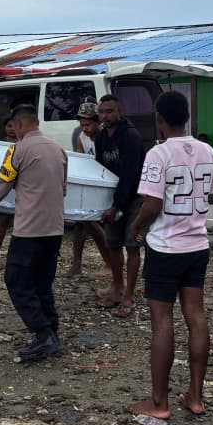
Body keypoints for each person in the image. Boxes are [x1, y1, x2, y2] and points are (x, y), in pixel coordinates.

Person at [126, 91, 213, 419]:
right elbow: (209, 193)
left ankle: (159, 402)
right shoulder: (208, 151)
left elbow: (152, 203)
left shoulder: (159, 153)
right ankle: (195, 396)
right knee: (196, 316)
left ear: (159, 119)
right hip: (197, 245)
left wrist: (136, 226)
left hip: (166, 247)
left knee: (162, 320)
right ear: (187, 117)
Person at [0, 103, 67, 361]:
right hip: (55, 228)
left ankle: (43, 334)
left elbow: (3, 184)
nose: (13, 131)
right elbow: (63, 189)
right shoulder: (59, 150)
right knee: (42, 283)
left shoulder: (17, 150)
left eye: (14, 126)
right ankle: (52, 331)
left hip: (29, 230)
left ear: (20, 125)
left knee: (16, 281)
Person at [94, 94, 145, 316]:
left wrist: (116, 205)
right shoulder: (101, 137)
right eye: (101, 112)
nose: (105, 116)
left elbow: (130, 175)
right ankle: (117, 287)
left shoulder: (130, 136)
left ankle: (129, 296)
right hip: (111, 198)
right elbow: (99, 169)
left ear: (119, 112)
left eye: (109, 111)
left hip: (133, 198)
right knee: (113, 243)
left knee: (132, 246)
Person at [65, 100, 112, 279]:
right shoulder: (82, 137)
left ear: (97, 121)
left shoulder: (105, 137)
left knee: (92, 222)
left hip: (105, 182)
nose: (85, 128)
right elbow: (80, 161)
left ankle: (109, 262)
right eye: (82, 124)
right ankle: (76, 265)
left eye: (88, 124)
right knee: (81, 222)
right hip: (90, 182)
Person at [0, 116, 17, 271]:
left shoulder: (24, 144)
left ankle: (14, 258)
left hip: (19, 187)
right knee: (3, 221)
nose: (12, 129)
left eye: (14, 126)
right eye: (8, 126)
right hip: (5, 187)